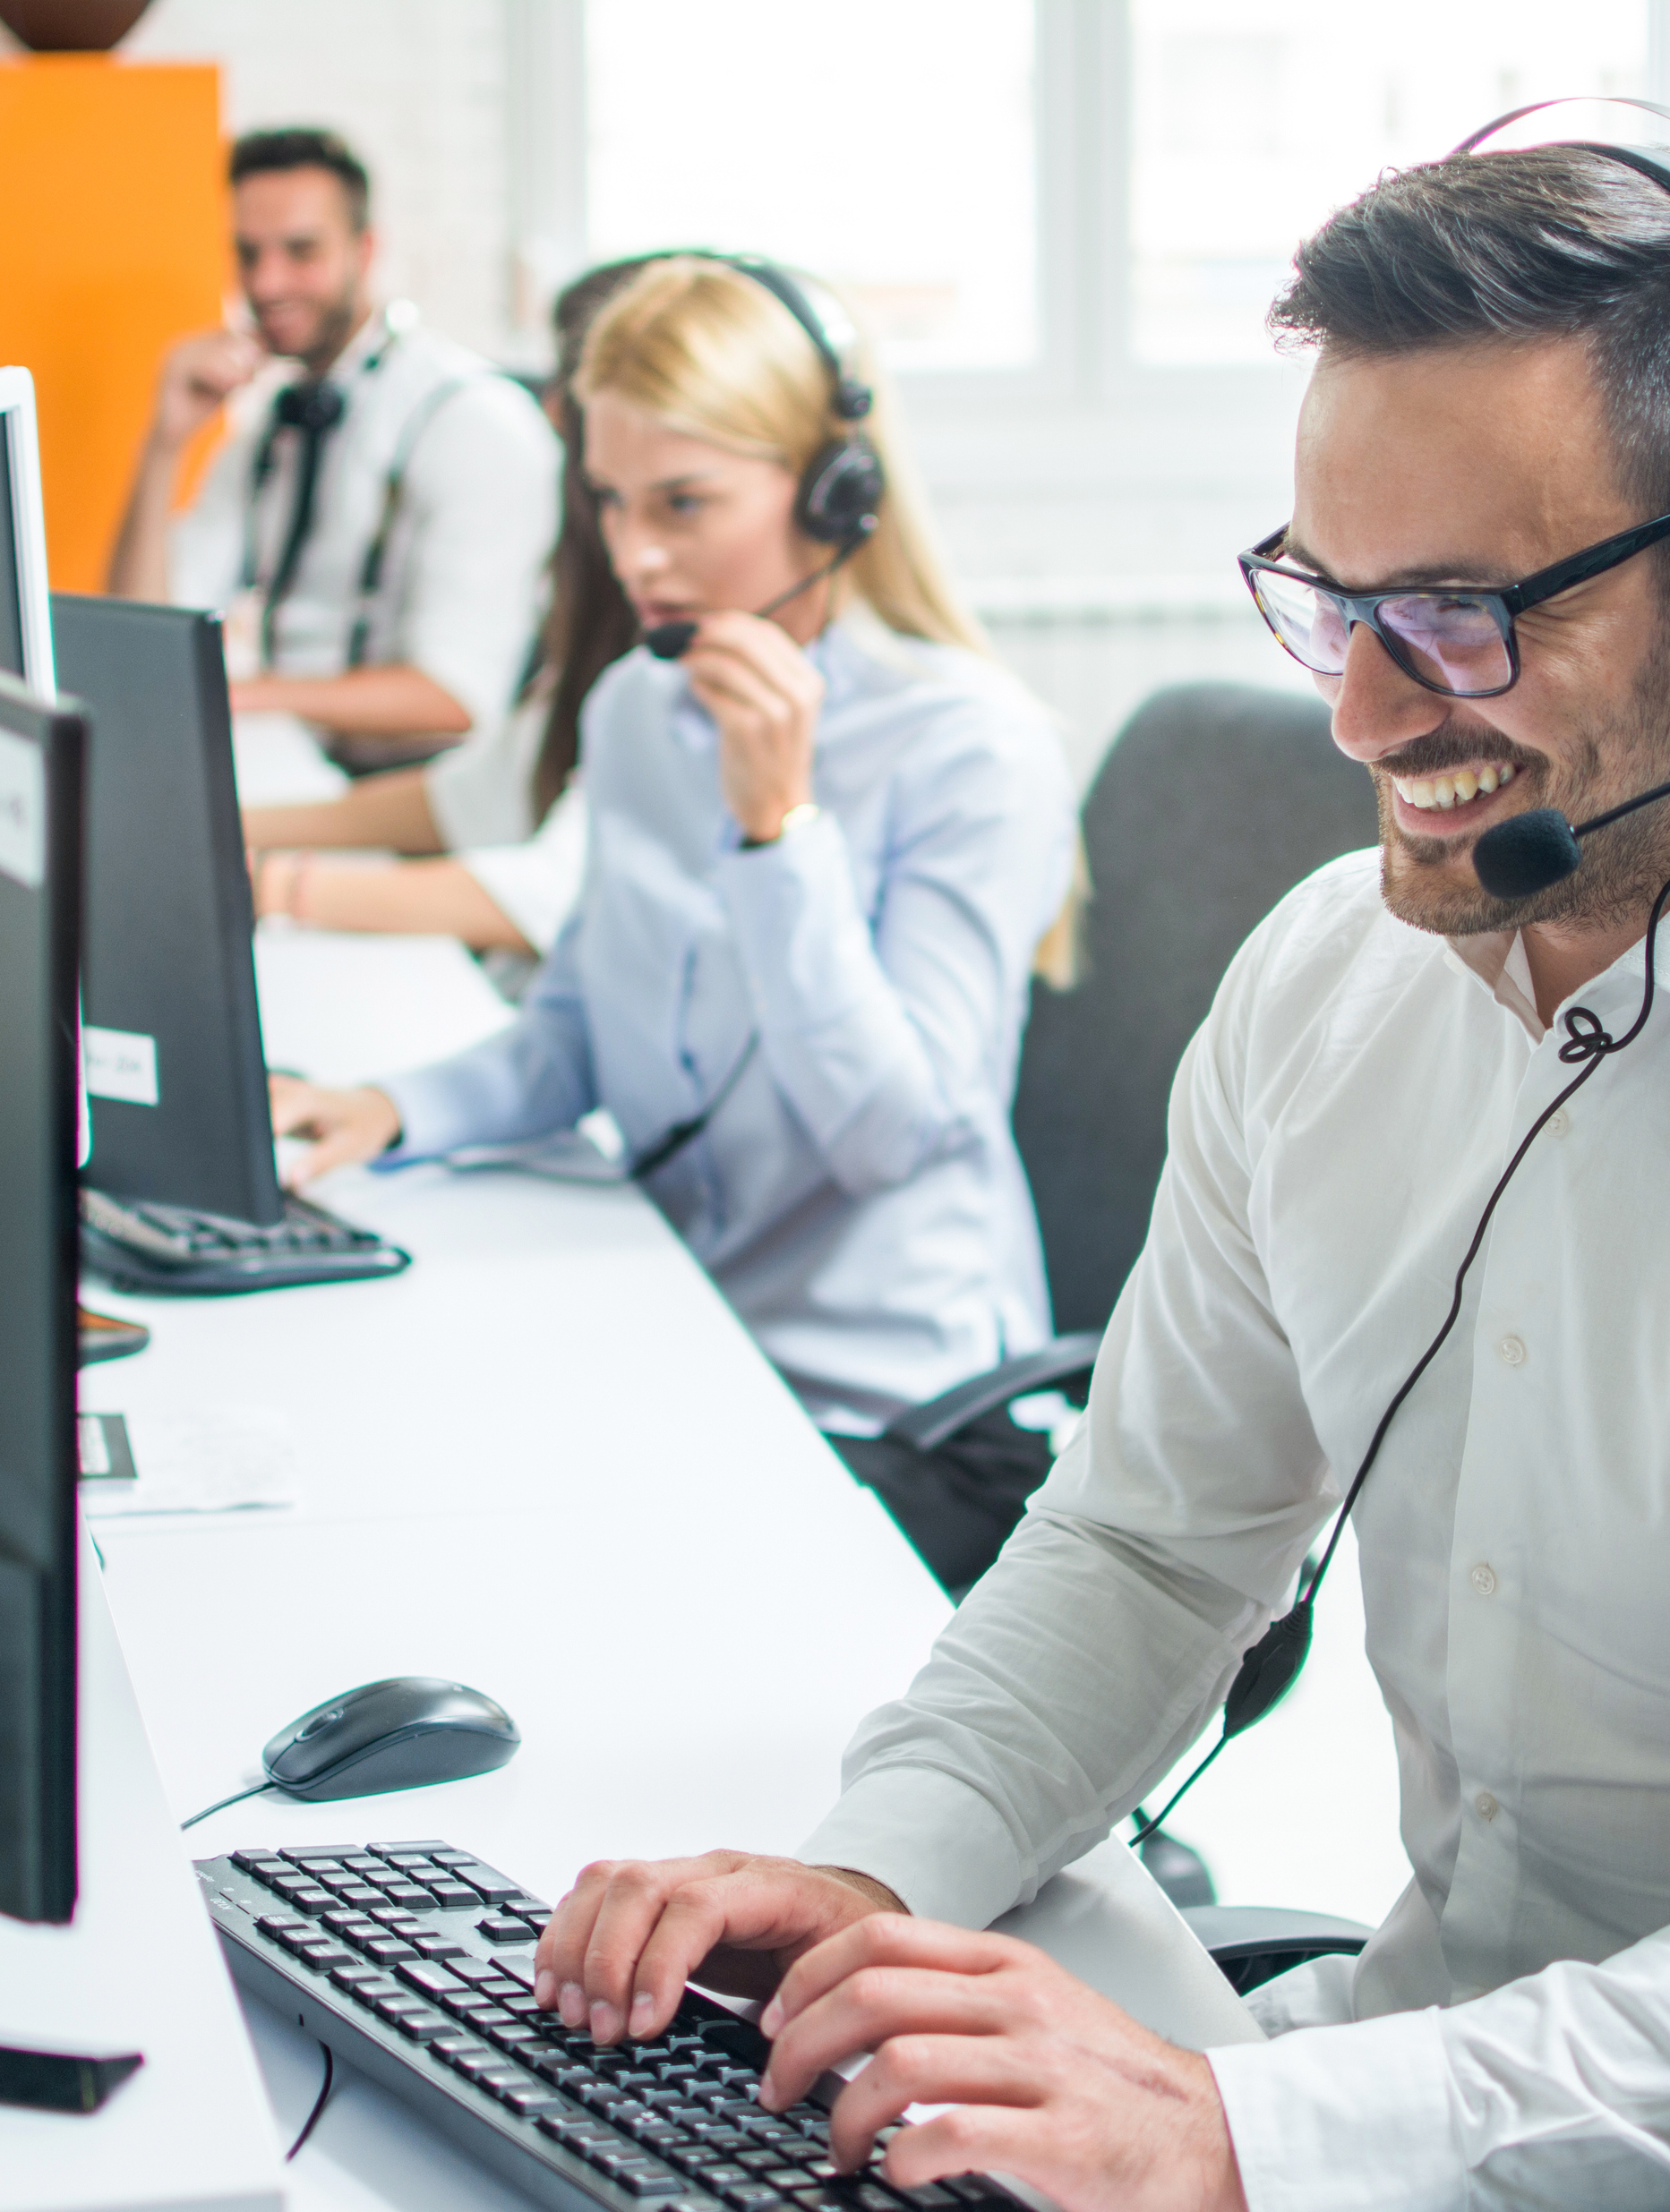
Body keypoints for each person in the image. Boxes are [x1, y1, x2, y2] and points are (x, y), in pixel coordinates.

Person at [516, 121, 1670, 2212]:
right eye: (1332, 601)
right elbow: (1153, 1544)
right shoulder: (1333, 983)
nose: (1354, 710)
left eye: (1453, 617)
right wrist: (875, 1873)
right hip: (1408, 2145)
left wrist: (1239, 2130)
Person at [269, 257, 1080, 1573]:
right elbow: (579, 1028)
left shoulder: (970, 751)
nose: (635, 555)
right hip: (682, 1335)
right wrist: (390, 1109)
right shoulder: (638, 711)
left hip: (893, 1421)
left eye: (685, 503)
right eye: (609, 501)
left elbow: (889, 1136)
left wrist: (780, 833)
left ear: (836, 492)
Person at [107, 125, 561, 793]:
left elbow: (454, 699)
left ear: (366, 249)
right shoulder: (271, 430)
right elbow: (141, 639)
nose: (266, 283)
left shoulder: (469, 422)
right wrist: (164, 442)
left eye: (300, 251)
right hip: (297, 762)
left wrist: (239, 697)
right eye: (248, 254)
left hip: (412, 798)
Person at [238, 259, 654, 965]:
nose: (552, 409)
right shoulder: (610, 620)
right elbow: (477, 795)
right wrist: (223, 829)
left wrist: (273, 887)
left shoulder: (686, 635)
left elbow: (557, 892)